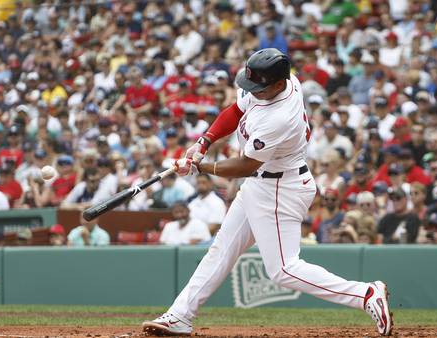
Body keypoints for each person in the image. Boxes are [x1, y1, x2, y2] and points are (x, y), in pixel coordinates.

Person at [142, 48, 392, 336]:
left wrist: (201, 167)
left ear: (277, 84)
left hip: (279, 188)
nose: (253, 91)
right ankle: (179, 316)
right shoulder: (277, 83)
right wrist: (202, 142)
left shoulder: (280, 117)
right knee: (221, 250)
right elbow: (235, 111)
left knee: (283, 269)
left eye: (259, 87)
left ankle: (365, 294)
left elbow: (246, 165)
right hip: (263, 183)